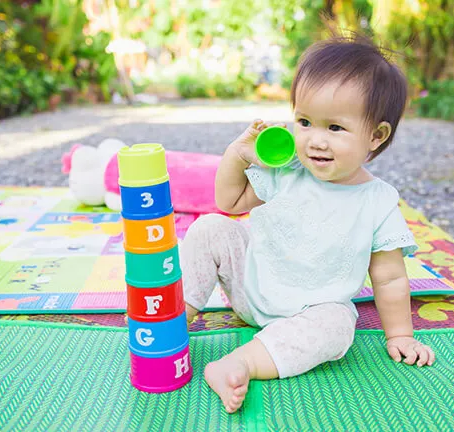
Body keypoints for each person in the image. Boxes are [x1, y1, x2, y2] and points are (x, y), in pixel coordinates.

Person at [180, 34, 435, 413]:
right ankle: (172, 318)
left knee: (338, 327)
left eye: (335, 128)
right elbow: (228, 201)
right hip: (252, 288)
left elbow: (390, 279)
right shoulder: (287, 171)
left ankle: (242, 363)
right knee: (211, 227)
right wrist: (237, 155)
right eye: (304, 121)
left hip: (312, 311)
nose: (315, 140)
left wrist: (400, 334)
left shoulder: (377, 201)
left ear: (375, 136)